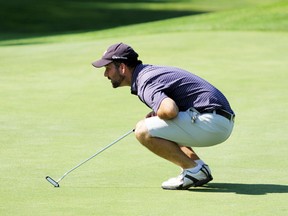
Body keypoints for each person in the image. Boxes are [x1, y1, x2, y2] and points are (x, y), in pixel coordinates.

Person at [92, 42, 235, 190]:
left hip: (211, 122)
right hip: (219, 120)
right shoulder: (147, 73)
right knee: (159, 124)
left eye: (108, 68)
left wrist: (155, 116)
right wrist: (156, 115)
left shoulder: (144, 81)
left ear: (122, 68)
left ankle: (193, 170)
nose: (105, 74)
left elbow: (169, 110)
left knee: (142, 130)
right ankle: (198, 168)